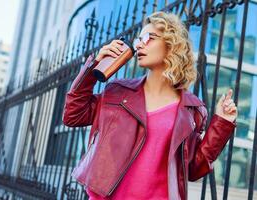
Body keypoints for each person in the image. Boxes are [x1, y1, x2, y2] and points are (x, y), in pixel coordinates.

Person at [62, 11, 237, 200]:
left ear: (172, 45)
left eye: (148, 38)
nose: (138, 44)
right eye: (139, 39)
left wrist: (222, 124)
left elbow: (193, 169)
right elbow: (73, 115)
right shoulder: (117, 92)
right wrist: (93, 67)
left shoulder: (193, 110)